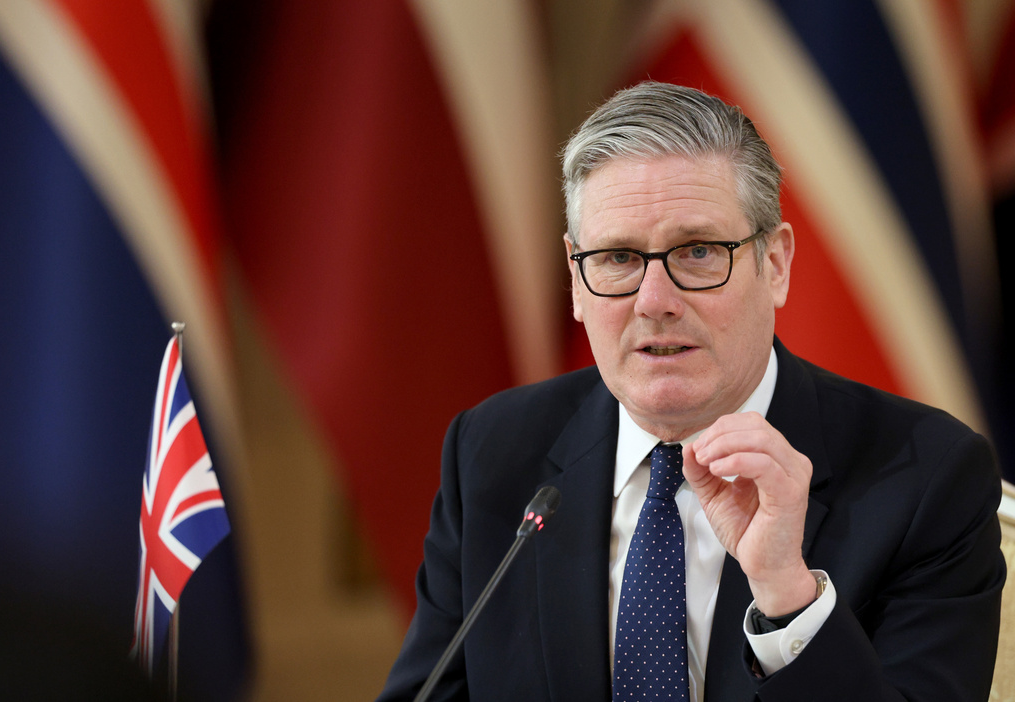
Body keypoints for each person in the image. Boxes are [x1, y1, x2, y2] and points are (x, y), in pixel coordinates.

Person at [376, 82, 1006, 701]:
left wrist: (788, 595)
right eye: (618, 258)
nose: (654, 302)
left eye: (699, 251)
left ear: (776, 264)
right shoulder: (492, 452)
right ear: (575, 279)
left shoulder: (928, 477)